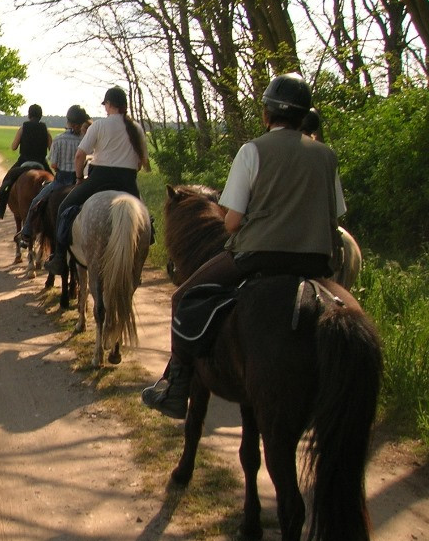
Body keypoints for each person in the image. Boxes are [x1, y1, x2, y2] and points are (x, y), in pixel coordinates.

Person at [142, 73, 349, 419]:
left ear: (267, 114)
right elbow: (336, 214)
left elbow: (232, 222)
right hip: (315, 262)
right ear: (303, 116)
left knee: (182, 297)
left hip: (258, 257)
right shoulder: (325, 155)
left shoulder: (252, 151)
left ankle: (177, 385)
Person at [43, 86, 150, 275]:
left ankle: (59, 257)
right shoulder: (137, 128)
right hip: (128, 181)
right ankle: (140, 261)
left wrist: (78, 179)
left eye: (106, 105)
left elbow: (79, 156)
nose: (105, 109)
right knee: (147, 220)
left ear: (109, 104)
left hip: (99, 178)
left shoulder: (99, 126)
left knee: (63, 209)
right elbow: (142, 163)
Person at [16, 105, 88, 247]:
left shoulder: (59, 139)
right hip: (79, 181)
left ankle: (27, 231)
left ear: (69, 122)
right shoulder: (85, 140)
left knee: (36, 202)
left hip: (61, 181)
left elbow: (54, 164)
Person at [0, 104, 52, 219]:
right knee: (54, 183)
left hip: (23, 162)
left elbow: (14, 147)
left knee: (7, 180)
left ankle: (0, 208)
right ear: (41, 116)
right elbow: (51, 149)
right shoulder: (46, 130)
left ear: (29, 115)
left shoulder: (23, 128)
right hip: (41, 163)